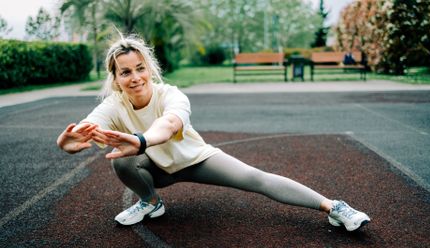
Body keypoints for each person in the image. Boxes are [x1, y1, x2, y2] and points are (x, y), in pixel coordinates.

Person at [56, 35, 370, 232]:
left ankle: (334, 207)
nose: (135, 77)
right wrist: (68, 142)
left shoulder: (172, 94)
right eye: (125, 72)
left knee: (255, 178)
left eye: (140, 68)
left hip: (194, 159)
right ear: (115, 78)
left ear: (148, 68)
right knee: (119, 161)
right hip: (157, 169)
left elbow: (166, 127)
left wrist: (140, 141)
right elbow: (83, 132)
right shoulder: (113, 104)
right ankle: (151, 201)